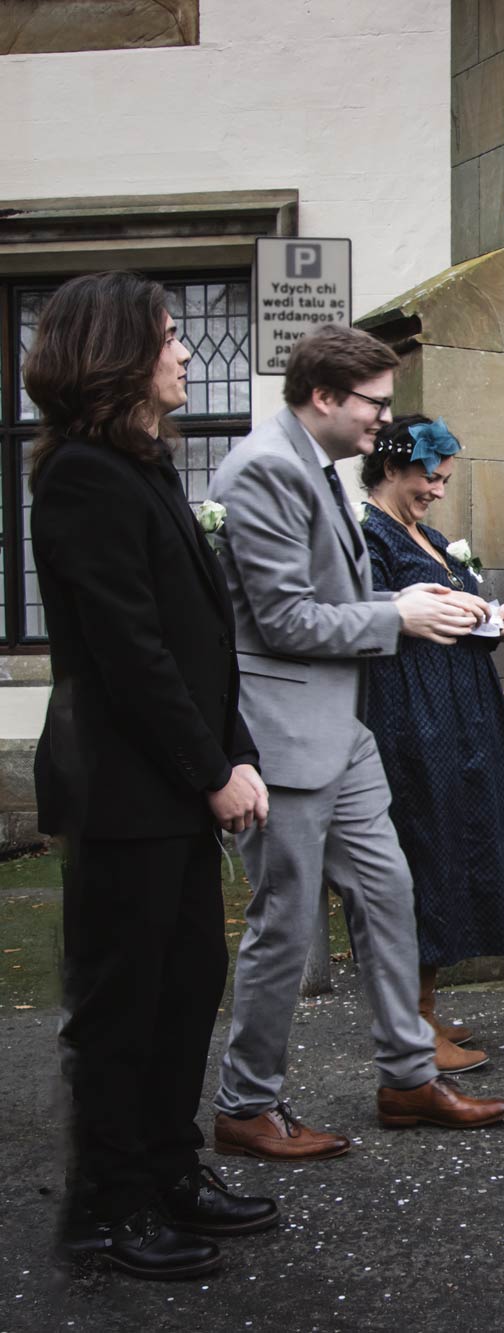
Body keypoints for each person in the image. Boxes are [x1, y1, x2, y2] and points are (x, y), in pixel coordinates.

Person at [209, 324, 504, 1158]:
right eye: (376, 404)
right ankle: (247, 1103)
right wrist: (397, 616)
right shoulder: (265, 470)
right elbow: (282, 620)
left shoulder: (314, 464)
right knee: (284, 922)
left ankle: (409, 1077)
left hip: (340, 731)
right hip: (283, 735)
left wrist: (417, 604)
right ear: (324, 396)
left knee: (389, 893)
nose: (385, 420)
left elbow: (327, 598)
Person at [29, 272, 276, 1279]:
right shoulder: (82, 477)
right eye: (170, 336)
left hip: (172, 784)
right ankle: (110, 1207)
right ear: (119, 353)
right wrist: (211, 769)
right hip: (124, 788)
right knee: (123, 1005)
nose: (183, 352)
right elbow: (129, 653)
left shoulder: (144, 466)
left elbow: (199, 640)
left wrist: (237, 747)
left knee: (185, 986)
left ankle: (171, 1169)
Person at [361, 415, 504, 1073]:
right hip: (411, 718)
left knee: (452, 851)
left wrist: (495, 616)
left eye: (445, 480)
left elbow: (456, 610)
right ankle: (410, 1023)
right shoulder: (368, 535)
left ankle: (426, 1007)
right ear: (392, 467)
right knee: (423, 855)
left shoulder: (432, 537)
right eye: (431, 479)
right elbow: (368, 621)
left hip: (461, 712)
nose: (439, 492)